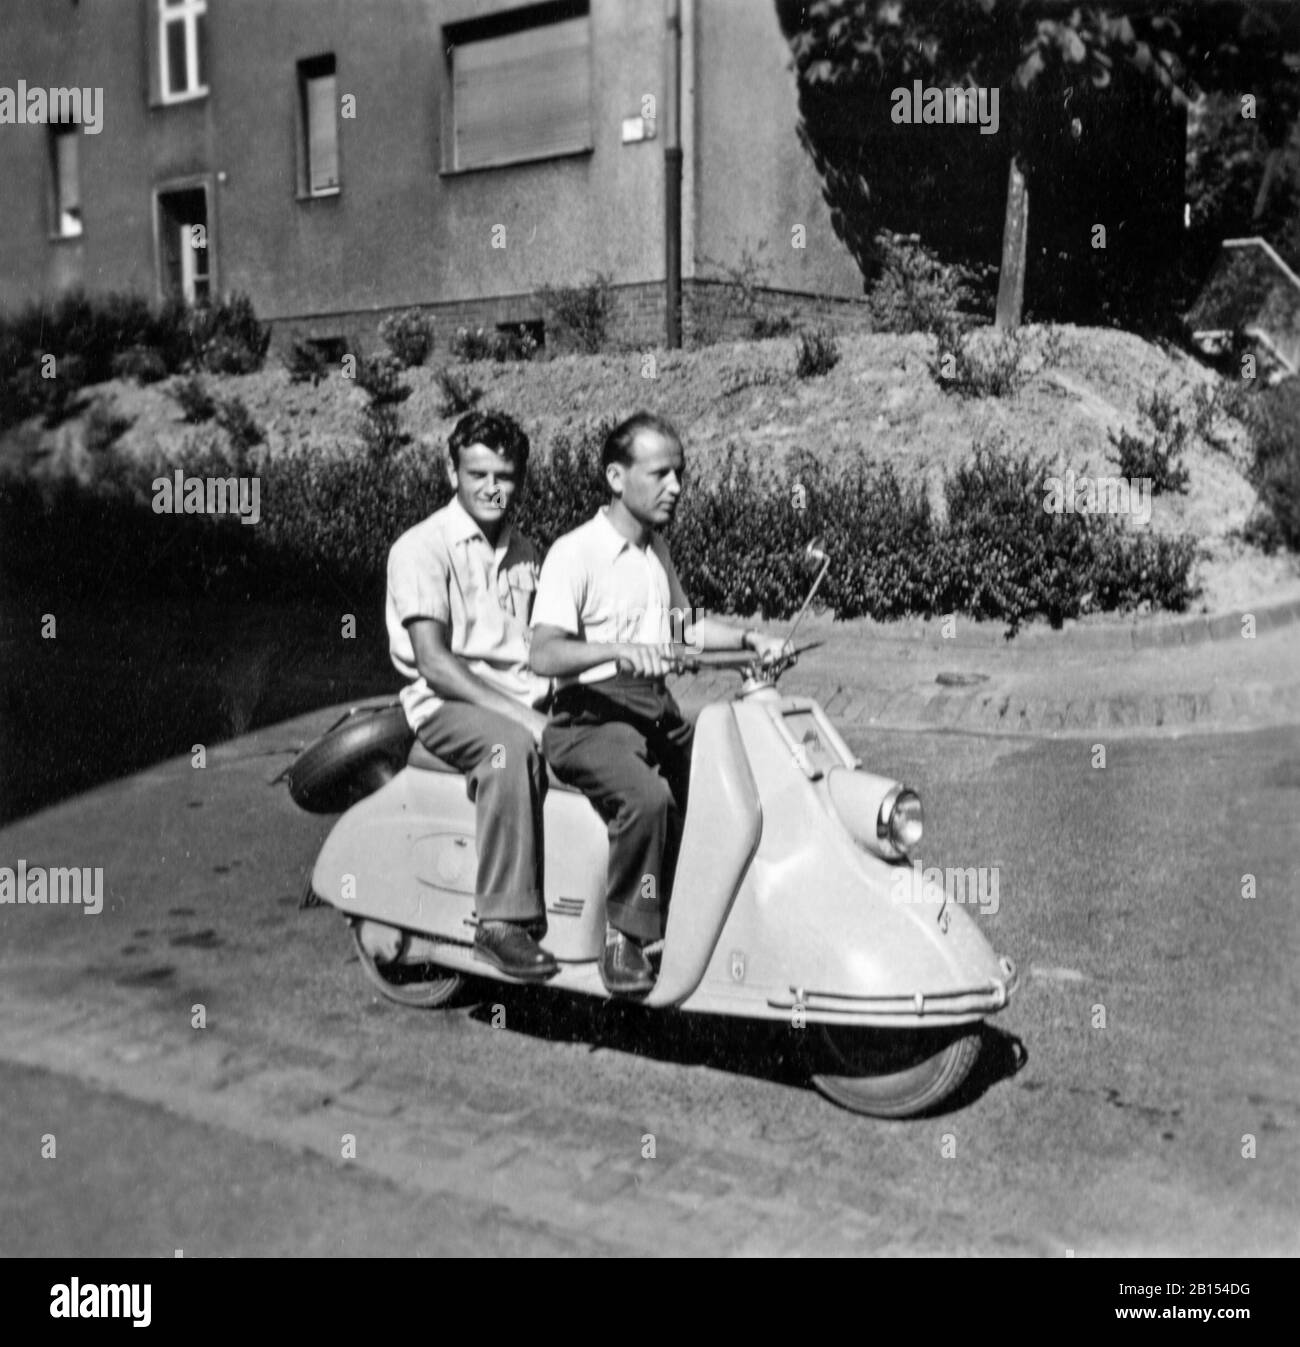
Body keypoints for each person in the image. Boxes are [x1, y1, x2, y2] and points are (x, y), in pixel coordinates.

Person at [529, 411, 789, 996]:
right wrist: (618, 650)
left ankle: (704, 908)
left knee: (736, 776)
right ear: (616, 478)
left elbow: (686, 629)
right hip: (587, 717)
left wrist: (751, 641)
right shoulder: (575, 553)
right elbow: (543, 654)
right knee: (648, 798)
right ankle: (624, 936)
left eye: (680, 474)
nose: (675, 487)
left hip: (651, 710)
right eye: (660, 474)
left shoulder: (656, 551)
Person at [385, 410, 556, 981]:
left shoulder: (527, 551)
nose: (491, 488)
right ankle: (500, 923)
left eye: (504, 476)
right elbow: (435, 662)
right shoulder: (422, 547)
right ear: (450, 471)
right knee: (508, 749)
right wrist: (524, 718)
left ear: (521, 478)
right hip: (445, 707)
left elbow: (539, 648)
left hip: (518, 698)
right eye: (477, 473)